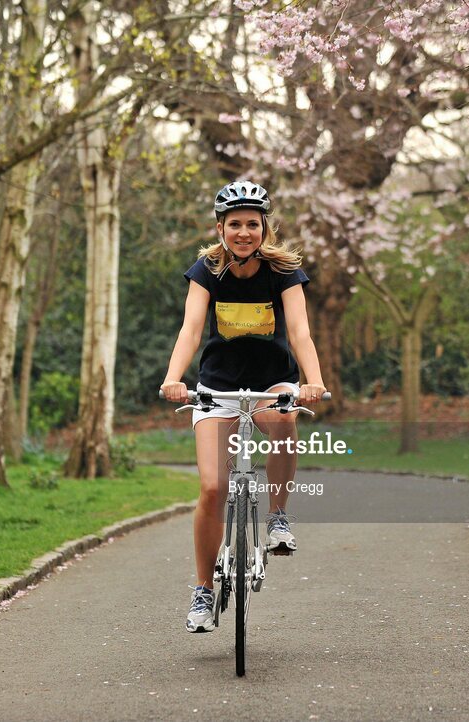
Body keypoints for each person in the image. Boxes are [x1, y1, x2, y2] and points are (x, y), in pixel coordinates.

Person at [161, 180, 327, 633]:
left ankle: (277, 516)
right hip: (218, 387)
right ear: (220, 228)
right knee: (213, 488)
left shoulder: (284, 271)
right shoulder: (207, 271)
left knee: (285, 418)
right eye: (234, 224)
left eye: (252, 224)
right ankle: (203, 589)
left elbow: (300, 332)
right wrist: (174, 378)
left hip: (272, 381)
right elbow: (190, 329)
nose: (244, 232)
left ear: (264, 228)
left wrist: (313, 381)